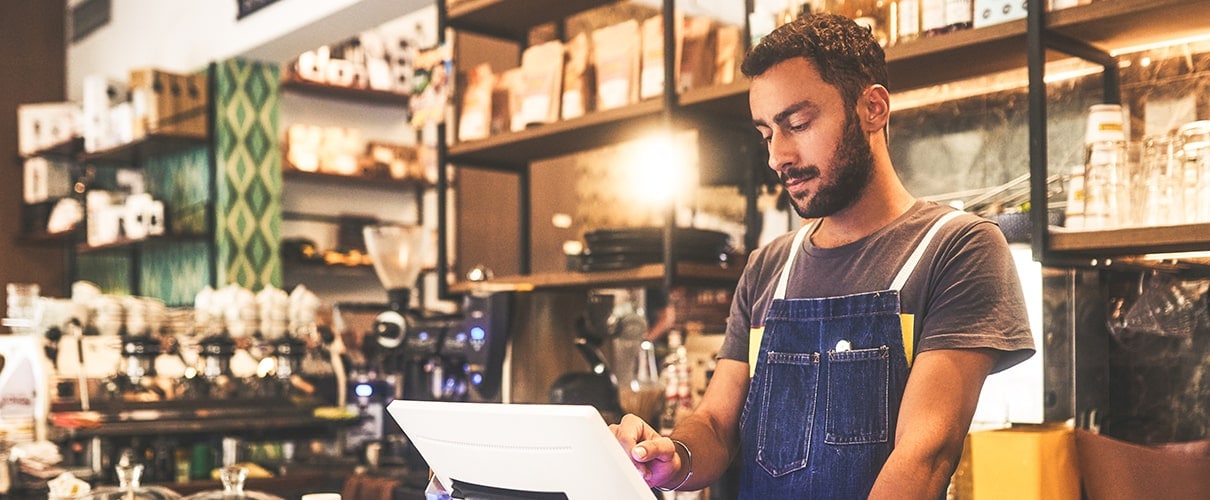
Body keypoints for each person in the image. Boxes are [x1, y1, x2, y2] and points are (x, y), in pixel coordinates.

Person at [611, 13, 1036, 499]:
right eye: (767, 133)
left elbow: (925, 455)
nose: (777, 156)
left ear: (873, 108)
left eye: (798, 124)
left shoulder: (956, 248)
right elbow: (715, 424)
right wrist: (672, 457)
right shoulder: (768, 267)